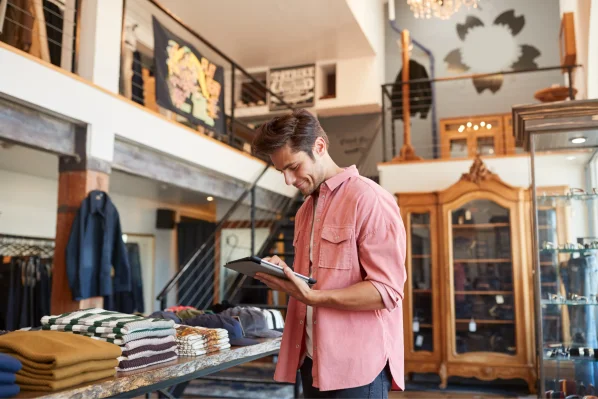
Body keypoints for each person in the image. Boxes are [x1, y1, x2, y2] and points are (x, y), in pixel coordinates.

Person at [251, 109, 407, 398]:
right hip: (312, 361)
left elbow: (387, 291)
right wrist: (285, 275)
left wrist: (314, 297)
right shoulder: (303, 212)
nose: (288, 180)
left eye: (294, 167)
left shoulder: (369, 199)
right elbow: (317, 280)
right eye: (281, 171)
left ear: (319, 147)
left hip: (357, 368)